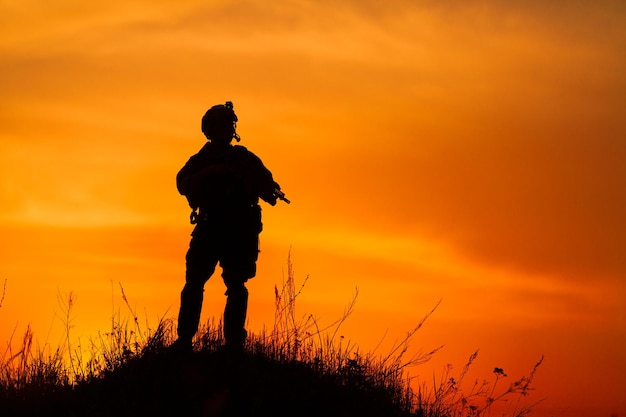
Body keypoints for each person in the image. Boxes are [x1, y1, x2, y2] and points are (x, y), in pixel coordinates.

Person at [174, 101, 287, 352]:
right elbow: (183, 184)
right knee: (194, 283)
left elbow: (267, 185)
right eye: (222, 125)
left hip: (237, 231)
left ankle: (234, 343)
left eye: (229, 124)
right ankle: (184, 340)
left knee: (236, 286)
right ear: (210, 129)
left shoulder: (244, 159)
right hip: (210, 226)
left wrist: (267, 190)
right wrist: (212, 171)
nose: (227, 129)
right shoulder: (200, 160)